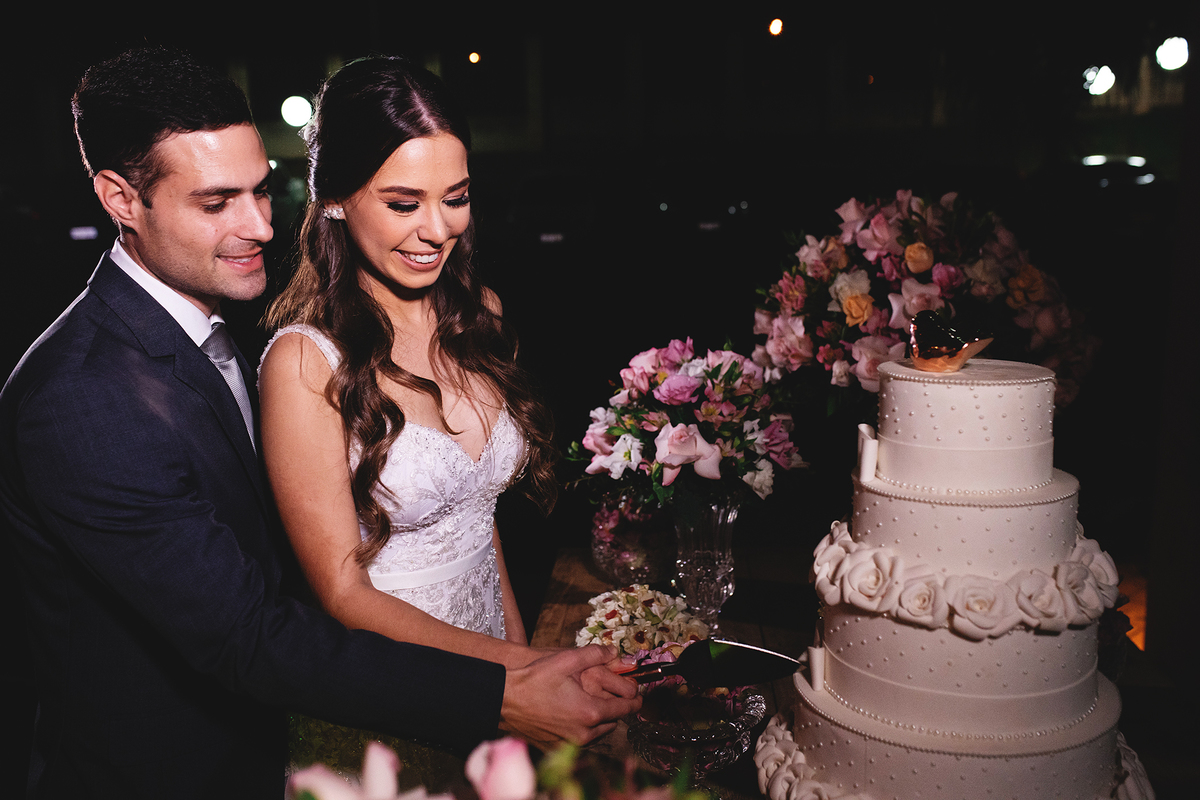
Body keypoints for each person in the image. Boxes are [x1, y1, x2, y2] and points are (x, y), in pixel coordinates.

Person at [0, 47, 638, 800]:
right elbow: (248, 633)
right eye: (217, 203)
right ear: (119, 198)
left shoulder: (213, 324)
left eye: (263, 192)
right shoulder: (80, 398)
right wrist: (507, 691)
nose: (261, 226)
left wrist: (522, 664)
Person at [256, 55, 569, 780]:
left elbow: (477, 518)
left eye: (455, 197)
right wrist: (513, 676)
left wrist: (520, 670)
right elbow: (340, 591)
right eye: (403, 204)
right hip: (387, 700)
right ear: (333, 197)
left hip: (501, 676)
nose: (437, 229)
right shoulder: (304, 364)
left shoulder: (477, 311)